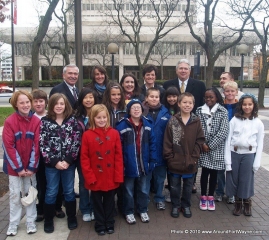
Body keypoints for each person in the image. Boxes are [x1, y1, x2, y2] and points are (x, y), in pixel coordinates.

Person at [40, 93, 82, 233]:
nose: (59, 106)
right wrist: (55, 162)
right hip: (51, 165)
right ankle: (48, 220)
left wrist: (68, 160)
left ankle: (71, 217)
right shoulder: (45, 122)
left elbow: (76, 142)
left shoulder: (72, 121)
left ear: (66, 105)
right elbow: (43, 144)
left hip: (68, 164)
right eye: (56, 104)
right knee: (51, 191)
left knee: (69, 191)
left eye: (61, 103)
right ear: (51, 105)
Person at [80, 104, 123, 235]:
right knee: (97, 202)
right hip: (95, 177)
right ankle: (100, 224)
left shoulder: (114, 133)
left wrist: (118, 175)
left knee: (110, 201)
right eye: (99, 117)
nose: (102, 120)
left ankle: (109, 223)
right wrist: (90, 177)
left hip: (110, 176)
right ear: (93, 118)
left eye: (104, 117)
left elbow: (118, 156)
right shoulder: (87, 135)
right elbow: (84, 158)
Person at [3, 90, 40, 236]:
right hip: (14, 169)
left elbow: (36, 146)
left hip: (30, 168)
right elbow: (8, 146)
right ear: (16, 105)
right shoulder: (10, 121)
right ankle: (14, 223)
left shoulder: (36, 121)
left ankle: (31, 221)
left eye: (27, 102)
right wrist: (18, 168)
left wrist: (31, 167)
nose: (25, 105)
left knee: (31, 194)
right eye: (21, 102)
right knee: (15, 195)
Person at [163, 92, 205, 218]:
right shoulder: (173, 121)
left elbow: (200, 140)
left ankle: (186, 205)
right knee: (174, 186)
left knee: (188, 187)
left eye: (190, 103)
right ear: (179, 104)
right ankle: (175, 205)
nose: (187, 105)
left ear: (193, 104)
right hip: (175, 161)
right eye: (184, 102)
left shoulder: (196, 121)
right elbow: (167, 141)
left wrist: (195, 157)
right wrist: (170, 158)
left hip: (190, 162)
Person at [116, 99, 156, 224]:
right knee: (128, 190)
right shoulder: (121, 125)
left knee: (143, 189)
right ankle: (128, 212)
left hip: (144, 164)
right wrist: (121, 164)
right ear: (129, 110)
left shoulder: (148, 124)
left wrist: (153, 160)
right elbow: (118, 148)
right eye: (133, 107)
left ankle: (142, 209)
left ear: (142, 109)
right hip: (129, 165)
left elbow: (153, 144)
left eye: (138, 107)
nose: (136, 109)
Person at [225, 94, 264, 216]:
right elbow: (228, 140)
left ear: (254, 106)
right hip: (234, 152)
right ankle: (237, 203)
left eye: (250, 104)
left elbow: (260, 143)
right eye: (244, 104)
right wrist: (228, 161)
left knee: (246, 179)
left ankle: (246, 201)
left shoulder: (258, 122)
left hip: (249, 153)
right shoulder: (234, 120)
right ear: (240, 105)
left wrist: (256, 162)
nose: (247, 107)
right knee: (234, 178)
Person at [32, 90, 66, 222]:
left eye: (41, 101)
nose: (39, 104)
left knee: (58, 184)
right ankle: (41, 210)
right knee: (42, 184)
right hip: (39, 157)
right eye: (35, 101)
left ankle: (57, 207)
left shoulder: (51, 116)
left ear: (46, 103)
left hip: (55, 157)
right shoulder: (31, 118)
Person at [196, 87, 229, 211]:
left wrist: (210, 145)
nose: (208, 99)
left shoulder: (223, 111)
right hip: (203, 147)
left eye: (211, 97)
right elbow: (198, 128)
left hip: (216, 148)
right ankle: (203, 196)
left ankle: (211, 196)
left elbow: (223, 131)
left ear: (217, 98)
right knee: (204, 173)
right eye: (206, 97)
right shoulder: (199, 110)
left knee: (214, 173)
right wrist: (203, 144)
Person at [142, 87, 171, 210]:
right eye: (151, 96)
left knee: (160, 179)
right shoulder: (141, 112)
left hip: (161, 152)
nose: (154, 99)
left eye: (156, 97)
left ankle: (159, 198)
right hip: (146, 152)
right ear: (146, 98)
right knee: (146, 179)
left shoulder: (166, 113)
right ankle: (145, 200)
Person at [75, 88, 98, 222]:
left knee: (96, 182)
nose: (88, 100)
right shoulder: (76, 116)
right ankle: (85, 208)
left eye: (91, 97)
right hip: (81, 155)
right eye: (85, 97)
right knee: (84, 183)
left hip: (97, 155)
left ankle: (95, 207)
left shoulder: (99, 114)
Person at [215, 82, 239, 204]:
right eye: (227, 91)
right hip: (221, 140)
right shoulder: (219, 106)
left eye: (232, 91)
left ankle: (231, 193)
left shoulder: (240, 106)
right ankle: (219, 191)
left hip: (235, 141)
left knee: (232, 169)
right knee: (220, 169)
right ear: (223, 93)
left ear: (236, 92)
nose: (230, 93)